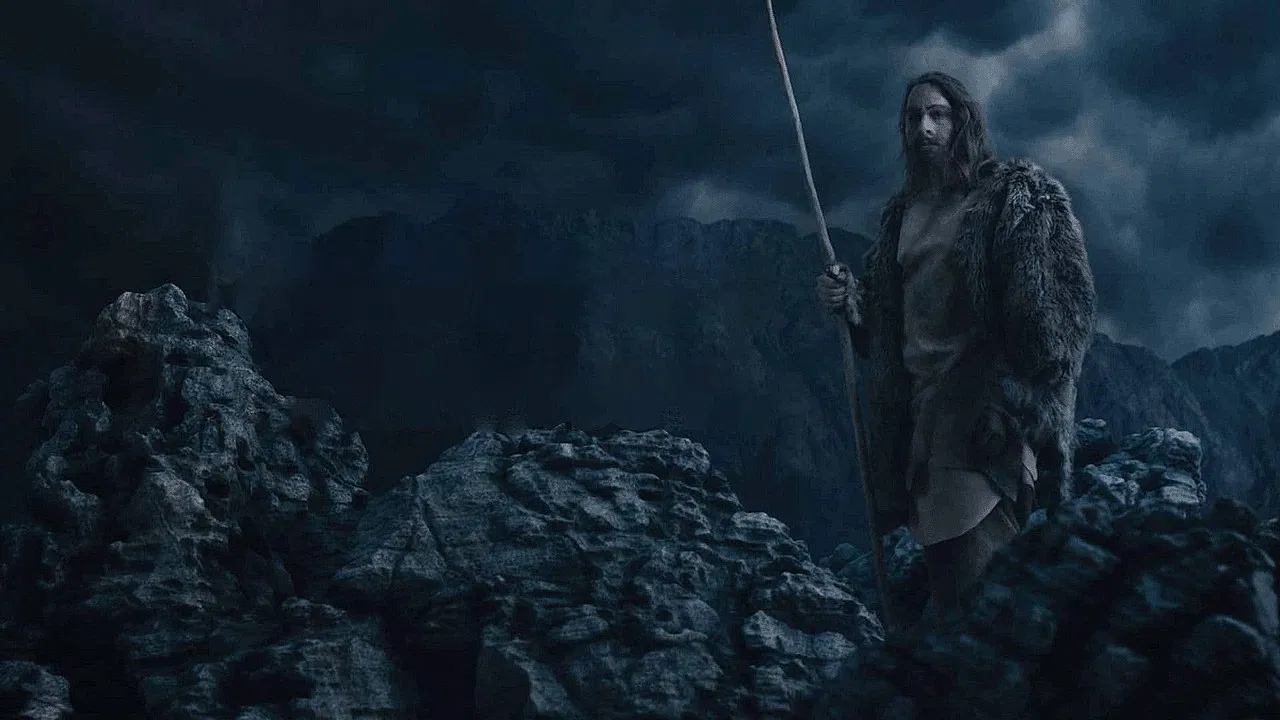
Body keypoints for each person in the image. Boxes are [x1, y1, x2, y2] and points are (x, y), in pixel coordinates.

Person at [817, 71, 1096, 617]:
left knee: (979, 605)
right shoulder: (902, 215)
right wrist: (851, 302)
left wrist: (1013, 397)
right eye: (913, 117)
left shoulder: (1008, 200)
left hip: (982, 422)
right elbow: (891, 329)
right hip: (923, 425)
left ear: (962, 121)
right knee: (958, 601)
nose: (923, 127)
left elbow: (1058, 322)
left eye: (937, 115)